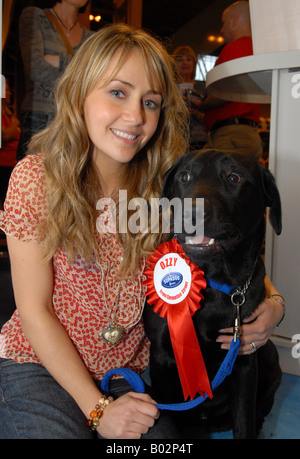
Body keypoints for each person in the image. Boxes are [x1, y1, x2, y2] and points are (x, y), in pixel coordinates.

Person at [0, 24, 284, 440]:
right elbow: (34, 311)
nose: (135, 117)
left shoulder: (164, 192)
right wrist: (99, 411)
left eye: (150, 102)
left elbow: (221, 249)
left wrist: (273, 303)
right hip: (38, 365)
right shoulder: (37, 180)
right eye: (118, 92)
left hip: (126, 378)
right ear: (80, 92)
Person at [16, 0, 93, 160]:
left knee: (65, 182)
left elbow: (90, 79)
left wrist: (58, 60)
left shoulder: (90, 37)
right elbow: (35, 69)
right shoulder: (35, 17)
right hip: (39, 118)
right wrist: (76, 71)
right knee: (33, 180)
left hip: (72, 121)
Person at [192, 1, 263, 159]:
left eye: (223, 23)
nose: (222, 30)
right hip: (246, 134)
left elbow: (223, 93)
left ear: (234, 19)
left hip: (230, 136)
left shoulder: (234, 48)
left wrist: (201, 105)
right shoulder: (258, 50)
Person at [173, 45, 208, 150]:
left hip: (199, 139)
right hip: (173, 139)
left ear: (194, 63)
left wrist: (197, 113)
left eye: (189, 59)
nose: (185, 62)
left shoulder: (203, 87)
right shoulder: (168, 86)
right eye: (180, 59)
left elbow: (212, 114)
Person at [0, 80, 20, 209]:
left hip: (10, 165)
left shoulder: (6, 111)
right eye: (6, 89)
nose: (9, 92)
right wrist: (14, 123)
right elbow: (4, 136)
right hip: (2, 165)